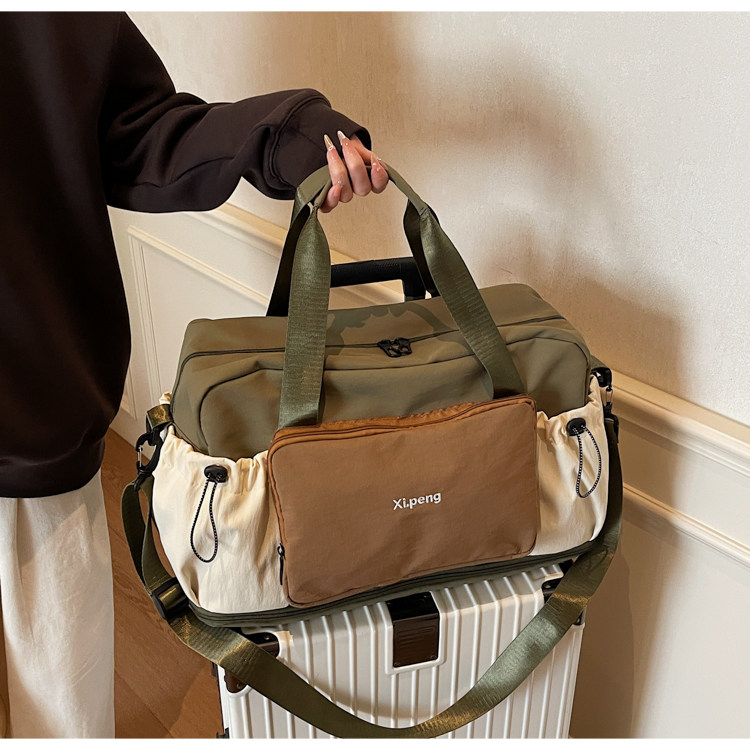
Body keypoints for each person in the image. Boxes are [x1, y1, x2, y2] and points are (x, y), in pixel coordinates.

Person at [0, 11, 388, 738]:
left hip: (31, 429)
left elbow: (138, 132)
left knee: (56, 716)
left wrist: (285, 133)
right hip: (37, 414)